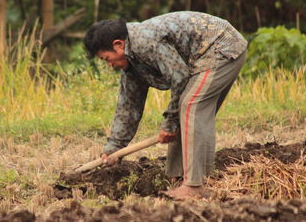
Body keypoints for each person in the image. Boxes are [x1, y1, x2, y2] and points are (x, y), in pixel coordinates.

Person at [83, 11, 247, 199]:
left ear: (118, 45)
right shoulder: (131, 61)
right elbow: (128, 107)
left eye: (106, 59)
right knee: (184, 115)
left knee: (190, 107)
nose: (109, 65)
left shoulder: (145, 42)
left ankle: (194, 186)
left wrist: (169, 124)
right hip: (203, 56)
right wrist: (115, 147)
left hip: (220, 46)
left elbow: (179, 76)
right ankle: (178, 177)